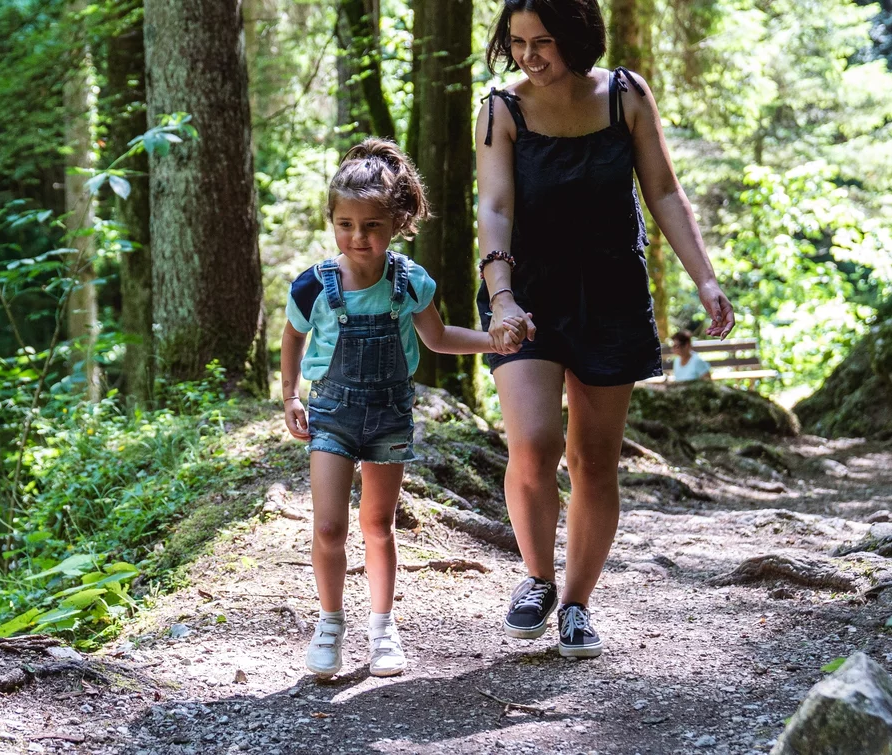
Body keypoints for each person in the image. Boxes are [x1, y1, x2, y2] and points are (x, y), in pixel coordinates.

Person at [475, 0, 734, 657]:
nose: (529, 56)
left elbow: (665, 193)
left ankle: (576, 604)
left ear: (576, 36)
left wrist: (703, 279)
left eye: (543, 42)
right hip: (526, 296)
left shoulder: (624, 95)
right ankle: (536, 577)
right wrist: (500, 296)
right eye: (517, 42)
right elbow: (495, 205)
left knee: (593, 460)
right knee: (533, 443)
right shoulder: (500, 109)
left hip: (611, 295)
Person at [281, 138, 530, 678]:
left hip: (390, 414)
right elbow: (292, 336)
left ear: (395, 223)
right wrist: (288, 396)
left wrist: (493, 340)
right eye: (345, 224)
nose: (357, 237)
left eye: (370, 226)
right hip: (331, 414)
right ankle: (328, 625)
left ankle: (382, 627)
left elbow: (438, 338)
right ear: (332, 221)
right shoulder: (313, 286)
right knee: (328, 527)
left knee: (378, 524)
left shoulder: (408, 281)